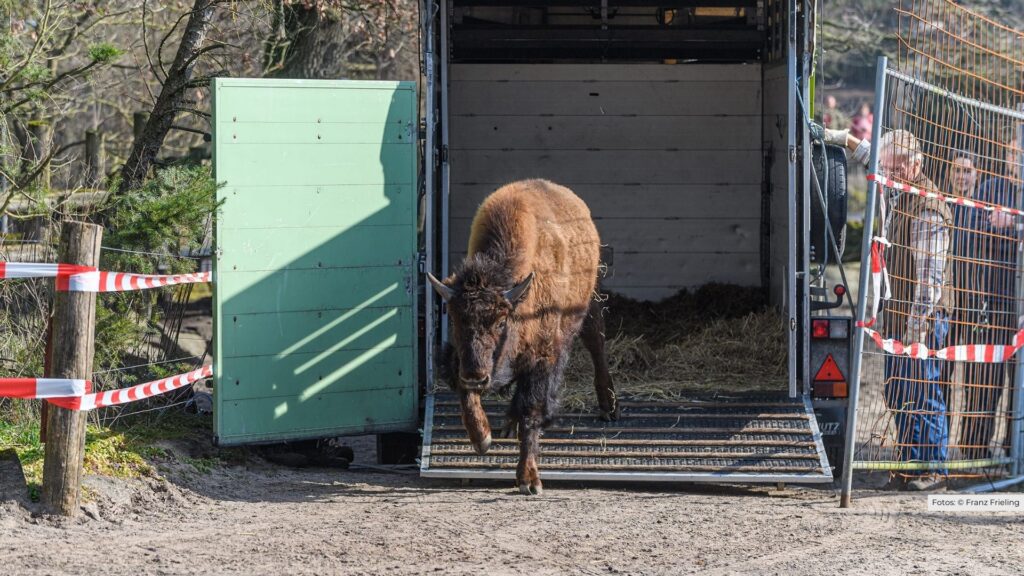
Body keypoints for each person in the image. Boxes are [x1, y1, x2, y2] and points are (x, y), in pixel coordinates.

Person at [815, 123, 951, 490]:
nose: (884, 175)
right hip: (898, 310)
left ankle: (933, 470)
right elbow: (872, 157)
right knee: (897, 391)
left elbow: (931, 278)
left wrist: (916, 326)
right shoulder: (898, 188)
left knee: (923, 391)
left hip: (921, 317)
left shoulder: (928, 208)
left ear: (913, 164)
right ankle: (908, 467)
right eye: (884, 168)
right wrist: (843, 139)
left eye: (892, 169)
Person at [952, 133, 1022, 460]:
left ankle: (1015, 453)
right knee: (985, 381)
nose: (1016, 159)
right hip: (994, 304)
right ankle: (974, 451)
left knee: (1020, 386)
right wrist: (998, 227)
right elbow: (969, 229)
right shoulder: (992, 190)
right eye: (1013, 152)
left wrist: (1013, 226)